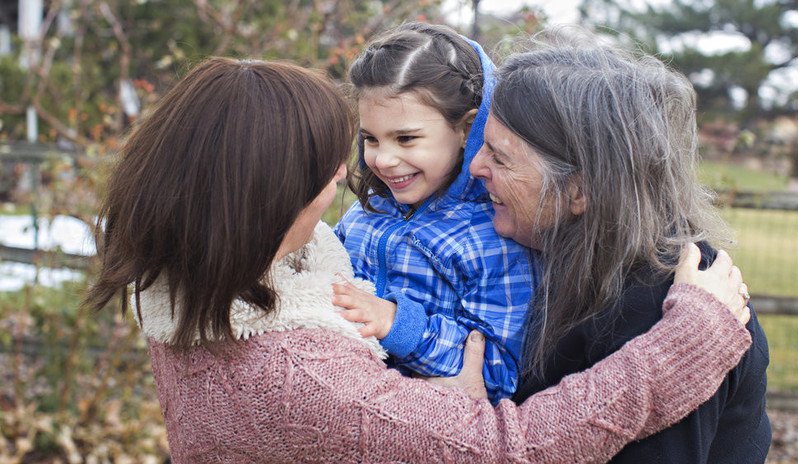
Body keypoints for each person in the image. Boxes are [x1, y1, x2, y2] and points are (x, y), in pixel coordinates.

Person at [84, 56, 754, 463]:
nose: (354, 176)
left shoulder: (201, 285)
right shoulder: (295, 373)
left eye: (495, 153)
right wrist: (685, 345)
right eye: (335, 164)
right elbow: (509, 451)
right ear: (274, 198)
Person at [469, 28, 771, 463]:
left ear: (581, 191)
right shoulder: (564, 259)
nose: (476, 166)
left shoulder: (661, 306)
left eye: (500, 157)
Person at [332, 22, 533, 403]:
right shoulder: (363, 217)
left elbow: (499, 373)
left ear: (467, 129)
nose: (383, 159)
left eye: (406, 138)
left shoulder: (493, 239)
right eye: (370, 138)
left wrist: (397, 323)